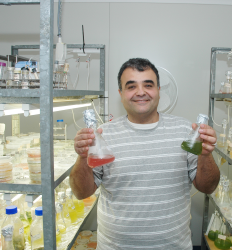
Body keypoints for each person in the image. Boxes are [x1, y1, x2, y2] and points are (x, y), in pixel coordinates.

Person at [70, 58, 220, 250]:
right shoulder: (102, 135)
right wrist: (82, 157)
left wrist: (206, 155)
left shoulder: (186, 132)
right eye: (131, 86)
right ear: (121, 93)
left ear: (158, 90)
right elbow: (81, 192)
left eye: (148, 85)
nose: (141, 92)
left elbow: (208, 187)